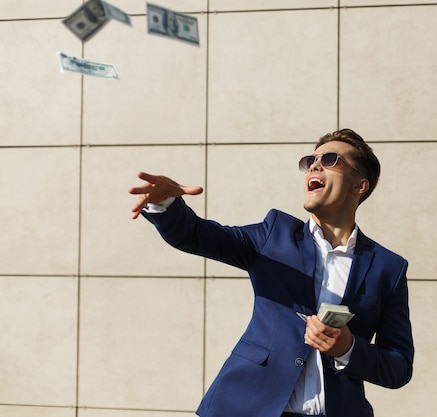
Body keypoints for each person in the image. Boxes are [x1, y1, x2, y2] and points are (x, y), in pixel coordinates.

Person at [129, 128, 414, 417]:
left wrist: (348, 348)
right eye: (309, 161)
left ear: (359, 185)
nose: (314, 166)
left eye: (330, 159)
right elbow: (195, 235)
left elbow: (399, 367)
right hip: (247, 407)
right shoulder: (274, 236)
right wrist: (166, 205)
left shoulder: (387, 268)